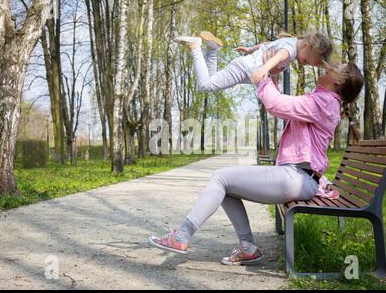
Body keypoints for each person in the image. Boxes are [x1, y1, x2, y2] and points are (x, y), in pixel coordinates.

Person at [148, 57, 364, 266]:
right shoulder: (322, 100)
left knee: (220, 177)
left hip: (296, 178)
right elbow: (284, 107)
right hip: (299, 177)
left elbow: (275, 103)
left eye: (337, 67)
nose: (329, 67)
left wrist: (263, 74)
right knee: (226, 187)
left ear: (339, 80)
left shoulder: (324, 102)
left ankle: (182, 236)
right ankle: (247, 248)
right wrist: (272, 74)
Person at [173, 30, 333, 93]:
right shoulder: (290, 50)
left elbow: (265, 45)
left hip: (244, 70)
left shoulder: (290, 41)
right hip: (245, 69)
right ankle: (195, 46)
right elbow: (277, 58)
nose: (304, 64)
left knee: (211, 78)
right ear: (306, 45)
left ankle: (213, 49)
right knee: (205, 85)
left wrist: (250, 49)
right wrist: (264, 70)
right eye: (307, 60)